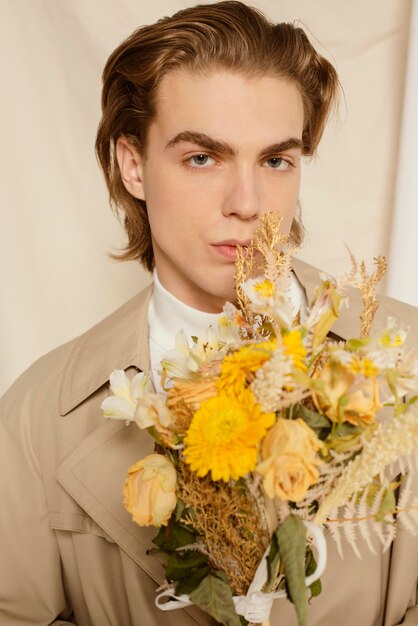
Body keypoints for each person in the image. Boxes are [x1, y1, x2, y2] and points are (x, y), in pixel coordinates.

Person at [1, 2, 417, 625]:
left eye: (276, 160)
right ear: (133, 165)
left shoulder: (407, 358)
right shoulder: (38, 418)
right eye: (203, 158)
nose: (247, 203)